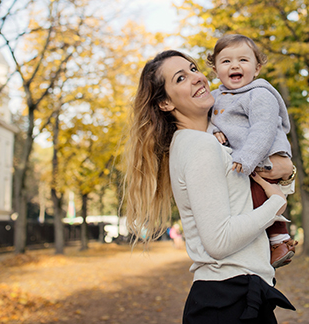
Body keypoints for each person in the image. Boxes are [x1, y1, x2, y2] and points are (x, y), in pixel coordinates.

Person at [123, 50, 295, 323]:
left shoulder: (211, 142)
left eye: (193, 68)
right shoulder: (201, 147)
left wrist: (284, 172)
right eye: (181, 77)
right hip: (228, 301)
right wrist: (276, 205)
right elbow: (219, 241)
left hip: (237, 294)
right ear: (166, 103)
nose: (197, 78)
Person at [206, 35, 298, 268]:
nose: (235, 65)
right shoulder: (215, 97)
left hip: (263, 155)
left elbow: (263, 129)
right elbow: (206, 120)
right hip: (242, 161)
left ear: (257, 69)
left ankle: (279, 239)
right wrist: (213, 130)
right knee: (250, 200)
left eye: (243, 60)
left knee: (260, 193)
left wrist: (247, 157)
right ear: (215, 70)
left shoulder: (259, 94)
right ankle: (272, 242)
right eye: (226, 61)